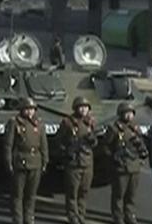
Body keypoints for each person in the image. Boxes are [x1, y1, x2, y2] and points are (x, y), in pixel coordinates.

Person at [4, 97, 49, 224]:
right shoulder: (14, 123)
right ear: (22, 110)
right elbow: (8, 144)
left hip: (35, 163)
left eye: (32, 110)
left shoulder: (39, 124)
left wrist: (45, 160)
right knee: (18, 195)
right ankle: (17, 219)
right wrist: (8, 161)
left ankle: (29, 217)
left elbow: (43, 144)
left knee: (31, 194)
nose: (30, 112)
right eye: (27, 109)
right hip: (20, 162)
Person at [103, 103, 148, 224]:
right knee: (119, 194)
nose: (129, 116)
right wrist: (113, 158)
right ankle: (117, 216)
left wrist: (141, 151)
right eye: (126, 113)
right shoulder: (114, 129)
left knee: (131, 194)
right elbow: (106, 146)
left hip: (134, 165)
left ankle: (129, 214)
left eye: (131, 113)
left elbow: (142, 146)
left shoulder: (136, 128)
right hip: (121, 167)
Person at [56, 96, 97, 224]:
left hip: (87, 161)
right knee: (72, 191)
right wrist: (66, 150)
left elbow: (95, 142)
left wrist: (92, 140)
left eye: (86, 107)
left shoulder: (91, 122)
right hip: (73, 162)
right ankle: (72, 215)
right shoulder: (68, 122)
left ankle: (81, 214)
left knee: (84, 191)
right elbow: (59, 139)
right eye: (81, 107)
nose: (83, 110)